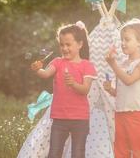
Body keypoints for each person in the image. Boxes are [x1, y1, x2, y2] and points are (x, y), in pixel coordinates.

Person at [31, 21, 97, 158]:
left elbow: (85, 90)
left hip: (80, 119)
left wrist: (73, 84)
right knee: (54, 153)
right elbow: (46, 74)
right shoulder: (58, 62)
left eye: (68, 44)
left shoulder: (87, 66)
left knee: (78, 154)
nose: (65, 48)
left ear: (79, 44)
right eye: (62, 45)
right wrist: (38, 70)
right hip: (60, 118)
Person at [103, 18, 140, 158]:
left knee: (139, 151)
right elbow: (122, 92)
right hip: (121, 113)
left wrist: (113, 64)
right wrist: (110, 89)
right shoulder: (123, 63)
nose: (123, 43)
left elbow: (129, 80)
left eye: (127, 39)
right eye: (121, 40)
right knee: (121, 151)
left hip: (137, 114)